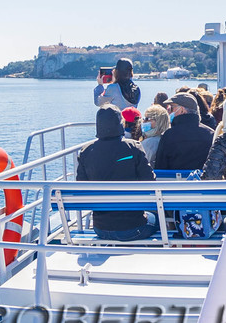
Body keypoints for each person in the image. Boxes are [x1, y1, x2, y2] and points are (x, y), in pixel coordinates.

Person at [75, 106, 157, 240]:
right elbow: (150, 181)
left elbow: (81, 186)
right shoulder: (133, 147)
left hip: (100, 228)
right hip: (133, 228)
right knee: (156, 217)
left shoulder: (86, 151)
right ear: (120, 123)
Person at [152, 91, 216, 171]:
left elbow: (160, 166)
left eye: (172, 108)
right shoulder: (210, 134)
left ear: (182, 110)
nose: (170, 112)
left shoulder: (169, 135)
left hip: (175, 182)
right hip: (202, 182)